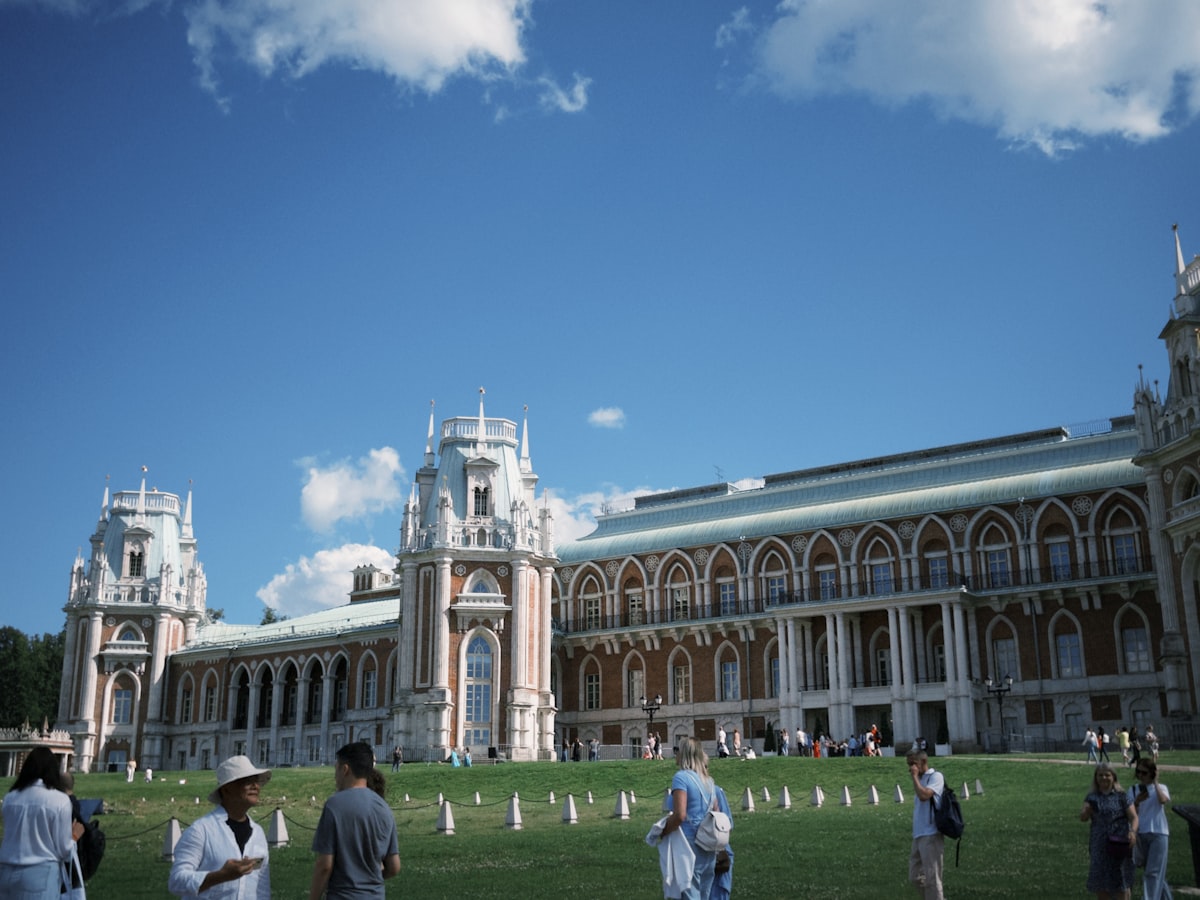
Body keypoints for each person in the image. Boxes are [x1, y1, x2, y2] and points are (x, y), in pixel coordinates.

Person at [168, 755, 271, 900]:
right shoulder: (201, 830)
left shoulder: (258, 833)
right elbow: (176, 881)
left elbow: (261, 888)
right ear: (226, 789)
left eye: (256, 780)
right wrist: (220, 876)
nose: (255, 786)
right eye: (247, 781)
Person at [310, 742, 400, 900]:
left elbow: (325, 865)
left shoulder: (334, 805)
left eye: (336, 769)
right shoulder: (384, 808)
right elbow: (394, 867)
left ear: (345, 770)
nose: (335, 776)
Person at [0, 747, 78, 900]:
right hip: (40, 872)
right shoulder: (59, 800)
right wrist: (74, 836)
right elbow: (63, 849)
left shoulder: (10, 798)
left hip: (6, 869)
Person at [661, 736, 725, 900]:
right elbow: (716, 811)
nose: (675, 754)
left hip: (688, 845)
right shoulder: (709, 781)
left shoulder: (681, 778)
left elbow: (680, 815)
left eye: (677, 751)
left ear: (684, 754)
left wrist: (663, 830)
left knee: (689, 894)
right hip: (708, 844)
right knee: (704, 893)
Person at [1081, 762, 1137, 900]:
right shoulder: (1092, 797)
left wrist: (1133, 832)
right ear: (1096, 778)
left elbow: (1134, 817)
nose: (1104, 778)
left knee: (1120, 878)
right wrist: (1086, 812)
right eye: (1100, 775)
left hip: (1119, 843)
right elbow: (1083, 817)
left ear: (1113, 777)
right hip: (1099, 844)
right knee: (1101, 881)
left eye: (1107, 775)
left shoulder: (1122, 796)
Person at [1130, 760, 1172, 900]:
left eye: (1144, 772)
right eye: (1138, 772)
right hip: (1141, 833)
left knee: (1152, 873)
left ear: (1152, 774)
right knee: (1155, 872)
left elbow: (1163, 801)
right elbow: (1131, 813)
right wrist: (1137, 801)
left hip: (1159, 833)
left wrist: (1155, 783)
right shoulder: (1134, 789)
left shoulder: (1161, 787)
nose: (1141, 775)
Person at [907, 749, 945, 900]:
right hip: (919, 834)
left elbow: (924, 796)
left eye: (913, 764)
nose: (911, 768)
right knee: (915, 876)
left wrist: (915, 777)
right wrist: (916, 777)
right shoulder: (920, 779)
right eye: (909, 765)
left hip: (931, 833)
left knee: (932, 878)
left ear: (923, 762)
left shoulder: (935, 777)